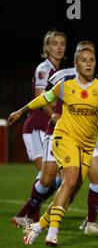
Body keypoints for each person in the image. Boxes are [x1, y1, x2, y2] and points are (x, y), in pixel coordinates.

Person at [8, 46, 98, 246]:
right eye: (84, 60)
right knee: (71, 179)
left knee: (71, 190)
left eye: (92, 59)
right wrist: (21, 111)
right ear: (75, 65)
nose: (89, 63)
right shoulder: (65, 85)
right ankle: (53, 233)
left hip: (87, 145)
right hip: (64, 137)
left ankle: (39, 226)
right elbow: (44, 98)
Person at [12, 30, 67, 227]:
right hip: (36, 128)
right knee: (49, 176)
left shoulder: (62, 71)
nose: (59, 47)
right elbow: (39, 96)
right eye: (54, 44)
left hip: (49, 130)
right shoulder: (44, 68)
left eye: (62, 43)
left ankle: (25, 214)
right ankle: (29, 216)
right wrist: (53, 114)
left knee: (54, 179)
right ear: (47, 47)